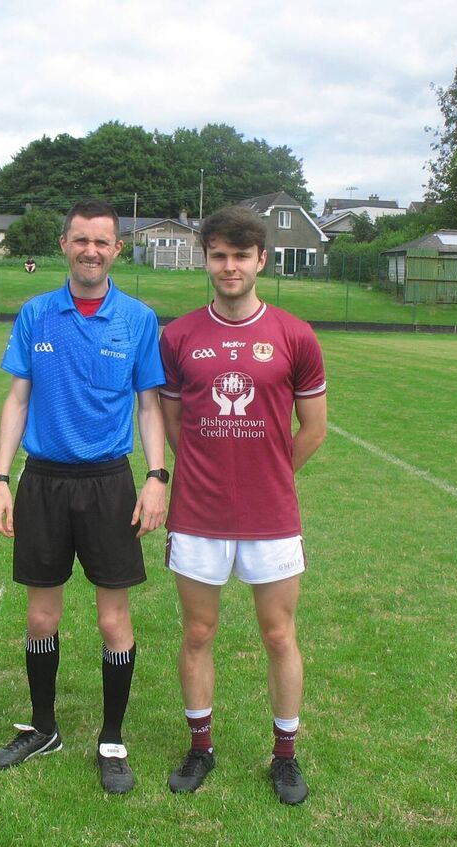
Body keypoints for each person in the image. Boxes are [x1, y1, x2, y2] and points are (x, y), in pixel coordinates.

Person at [0, 200, 167, 794]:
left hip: (109, 484)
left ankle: (111, 739)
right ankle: (43, 727)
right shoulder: (36, 313)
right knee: (41, 614)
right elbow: (17, 399)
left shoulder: (139, 319)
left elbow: (149, 406)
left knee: (114, 619)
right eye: (80, 239)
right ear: (63, 244)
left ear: (118, 249)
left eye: (103, 242)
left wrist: (157, 477)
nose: (91, 250)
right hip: (42, 481)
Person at [158, 206, 327, 806]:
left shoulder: (294, 334)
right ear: (206, 260)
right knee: (198, 631)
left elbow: (313, 427)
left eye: (240, 256)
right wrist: (209, 472)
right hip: (198, 514)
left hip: (271, 516)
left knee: (279, 635)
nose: (229, 267)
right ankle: (201, 746)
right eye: (218, 256)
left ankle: (285, 756)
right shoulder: (177, 336)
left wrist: (267, 474)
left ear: (262, 260)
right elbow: (174, 422)